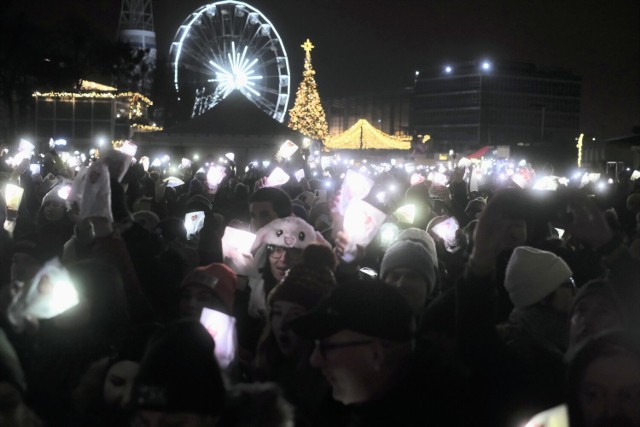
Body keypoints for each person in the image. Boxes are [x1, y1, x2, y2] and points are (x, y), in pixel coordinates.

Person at [290, 278, 470, 426]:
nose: (314, 360)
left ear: (376, 354)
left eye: (326, 347)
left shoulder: (450, 411)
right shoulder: (334, 409)